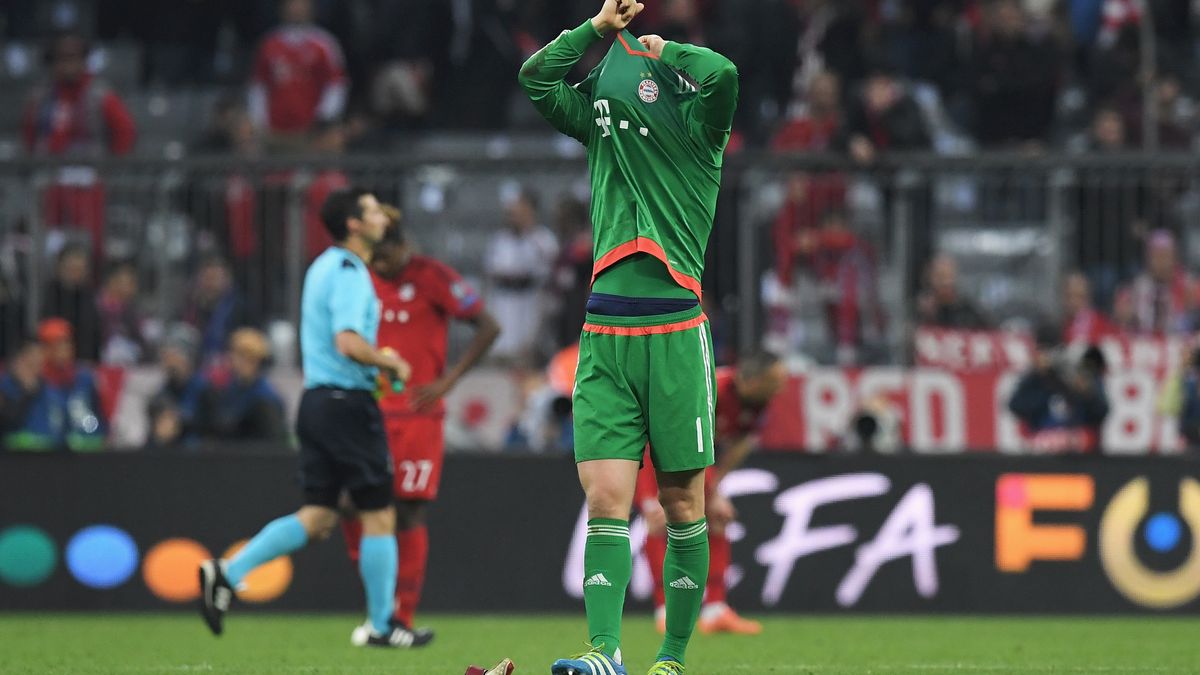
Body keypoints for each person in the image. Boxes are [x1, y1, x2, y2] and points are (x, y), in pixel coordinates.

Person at [519, 1, 738, 672]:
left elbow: (724, 74)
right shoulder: (600, 123)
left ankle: (671, 658)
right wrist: (596, 29)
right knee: (606, 500)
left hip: (676, 333)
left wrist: (664, 49)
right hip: (604, 332)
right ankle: (605, 652)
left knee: (682, 503)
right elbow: (536, 77)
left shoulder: (701, 131)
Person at [199, 188, 416, 647]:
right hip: (347, 404)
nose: (382, 216)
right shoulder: (350, 271)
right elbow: (347, 342)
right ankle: (382, 626)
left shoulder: (322, 266)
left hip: (318, 402)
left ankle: (227, 572)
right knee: (380, 513)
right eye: (372, 210)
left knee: (318, 517)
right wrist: (390, 362)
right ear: (354, 225)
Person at [340, 204, 500, 642]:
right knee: (351, 503)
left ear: (403, 246)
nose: (380, 266)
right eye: (374, 258)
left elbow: (488, 326)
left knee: (408, 509)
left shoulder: (433, 276)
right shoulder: (361, 277)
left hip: (417, 415)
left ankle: (402, 616)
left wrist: (448, 381)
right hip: (370, 410)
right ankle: (378, 604)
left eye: (385, 257)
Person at [636, 352, 785, 636]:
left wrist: (714, 489)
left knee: (717, 516)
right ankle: (665, 611)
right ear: (754, 381)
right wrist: (651, 494)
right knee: (658, 521)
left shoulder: (758, 403)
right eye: (775, 381)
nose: (781, 387)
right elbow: (675, 434)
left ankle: (715, 610)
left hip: (694, 457)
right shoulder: (709, 388)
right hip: (654, 452)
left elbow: (739, 445)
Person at [249, 0, 348, 142]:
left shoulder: (324, 43)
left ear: (311, 8)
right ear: (283, 8)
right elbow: (258, 85)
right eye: (292, 4)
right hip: (274, 128)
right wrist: (259, 120)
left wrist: (325, 118)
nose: (297, 9)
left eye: (302, 5)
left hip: (312, 130)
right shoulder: (269, 43)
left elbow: (336, 84)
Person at [0, 320, 106, 452]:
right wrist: (26, 390)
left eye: (66, 343)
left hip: (60, 448)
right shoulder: (9, 382)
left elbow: (71, 420)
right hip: (18, 452)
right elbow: (8, 421)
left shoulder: (79, 379)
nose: (63, 350)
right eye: (56, 345)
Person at [484, 188, 560, 366]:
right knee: (503, 351)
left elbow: (550, 267)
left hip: (531, 297)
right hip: (505, 298)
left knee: (528, 349)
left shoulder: (542, 238)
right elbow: (492, 268)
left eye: (519, 213)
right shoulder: (500, 239)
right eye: (511, 214)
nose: (514, 218)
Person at [1008, 324, 1109, 454]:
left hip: (1081, 453)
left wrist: (1086, 391)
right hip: (1043, 452)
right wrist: (1038, 375)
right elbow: (1015, 406)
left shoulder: (1080, 370)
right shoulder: (1035, 379)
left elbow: (1102, 411)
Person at [195, 328, 286, 443]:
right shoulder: (233, 389)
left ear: (253, 360)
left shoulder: (266, 398)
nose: (232, 359)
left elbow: (273, 440)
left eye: (238, 355)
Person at [145, 323, 207, 450]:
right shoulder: (161, 393)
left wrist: (178, 423)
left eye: (172, 354)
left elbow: (210, 428)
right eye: (165, 355)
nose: (167, 360)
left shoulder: (204, 390)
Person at [41, 243, 101, 362]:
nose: (76, 274)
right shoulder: (50, 294)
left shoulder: (89, 295)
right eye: (72, 269)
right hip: (55, 361)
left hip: (86, 360)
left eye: (80, 269)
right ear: (60, 267)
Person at [915, 254, 990, 330]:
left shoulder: (968, 311)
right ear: (930, 278)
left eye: (949, 276)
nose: (945, 282)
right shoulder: (920, 310)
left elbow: (990, 331)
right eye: (940, 276)